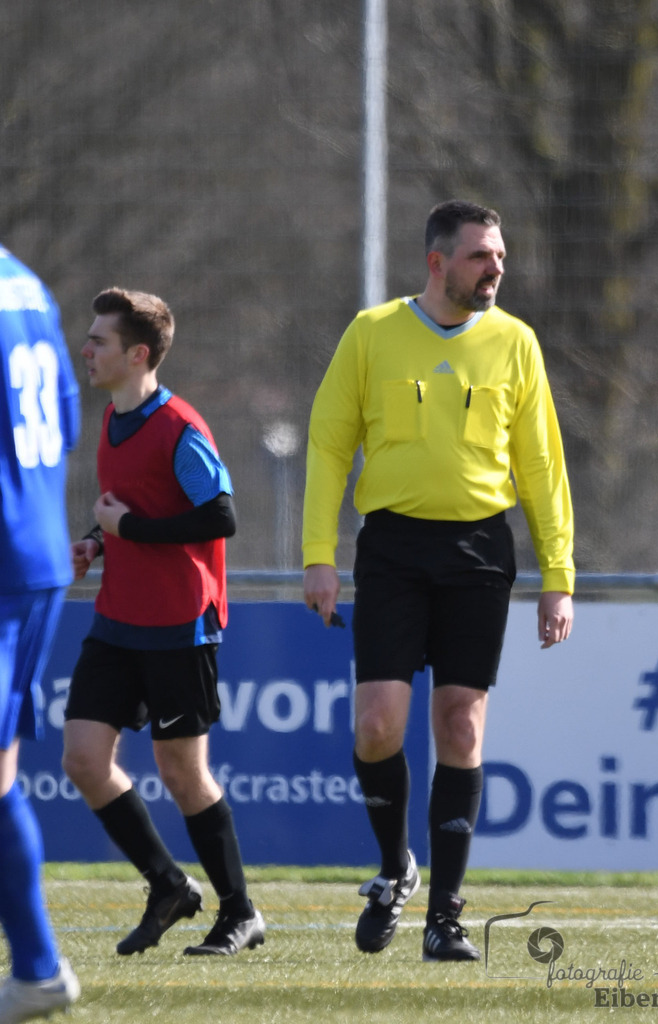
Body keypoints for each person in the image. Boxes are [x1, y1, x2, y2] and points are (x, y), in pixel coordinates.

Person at [302, 200, 574, 962]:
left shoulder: (515, 342)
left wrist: (560, 574)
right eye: (480, 256)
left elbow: (542, 465)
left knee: (459, 723)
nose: (495, 268)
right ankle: (395, 870)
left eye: (500, 256)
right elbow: (326, 445)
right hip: (390, 546)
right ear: (436, 262)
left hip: (480, 549)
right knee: (377, 724)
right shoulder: (371, 333)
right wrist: (316, 553)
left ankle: (445, 916)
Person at [62, 287, 265, 958]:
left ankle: (238, 912)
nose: (86, 349)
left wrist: (134, 529)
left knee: (181, 772)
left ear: (137, 354)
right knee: (84, 760)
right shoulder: (112, 419)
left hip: (181, 622)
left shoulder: (180, 426)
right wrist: (98, 537)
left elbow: (220, 516)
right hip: (118, 619)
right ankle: (167, 885)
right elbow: (129, 505)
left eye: (99, 340)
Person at [0, 246, 81, 1021]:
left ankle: (37, 964)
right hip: (37, 548)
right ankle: (34, 969)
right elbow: (67, 413)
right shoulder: (25, 281)